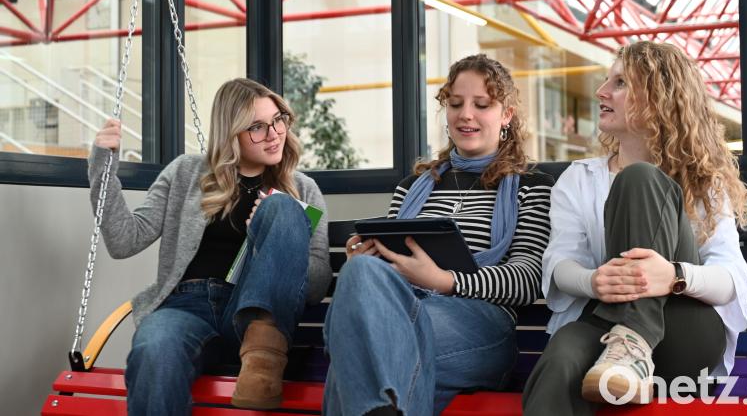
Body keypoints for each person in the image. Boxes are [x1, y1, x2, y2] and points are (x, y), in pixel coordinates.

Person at [521, 41, 747, 415]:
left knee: (640, 179)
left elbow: (732, 280)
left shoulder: (703, 181)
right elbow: (560, 263)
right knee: (560, 360)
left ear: (661, 97)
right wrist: (594, 282)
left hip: (684, 332)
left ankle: (633, 344)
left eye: (620, 83)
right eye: (606, 81)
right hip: (602, 322)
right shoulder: (578, 179)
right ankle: (625, 353)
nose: (601, 91)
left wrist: (674, 275)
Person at [322, 54, 554, 416]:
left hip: (480, 325)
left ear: (506, 114)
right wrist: (368, 258)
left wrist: (445, 281)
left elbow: (527, 279)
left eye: (482, 104)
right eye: (455, 103)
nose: (466, 115)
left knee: (356, 352)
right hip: (403, 309)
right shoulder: (414, 186)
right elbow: (384, 265)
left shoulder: (532, 186)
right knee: (360, 275)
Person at [88, 78, 330, 414]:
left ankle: (263, 355)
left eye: (278, 120)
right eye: (257, 127)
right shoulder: (186, 172)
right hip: (186, 307)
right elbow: (124, 240)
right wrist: (103, 166)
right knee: (154, 348)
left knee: (281, 208)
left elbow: (316, 286)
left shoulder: (303, 190)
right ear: (231, 133)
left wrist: (275, 238)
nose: (274, 134)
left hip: (254, 316)